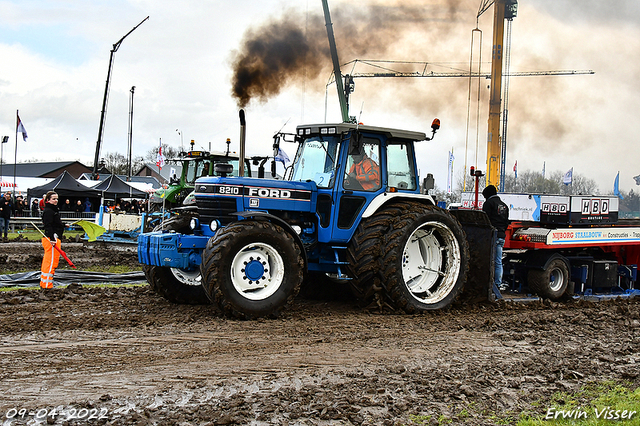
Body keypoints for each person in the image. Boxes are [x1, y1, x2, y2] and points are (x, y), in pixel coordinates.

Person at [482, 185, 510, 291]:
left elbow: (485, 220)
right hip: (501, 235)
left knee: (488, 260)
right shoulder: (504, 206)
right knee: (498, 261)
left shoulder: (488, 204)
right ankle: (497, 284)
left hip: (491, 236)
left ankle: (488, 282)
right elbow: (506, 222)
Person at [40, 191, 65, 289]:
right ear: (48, 200)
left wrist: (63, 225)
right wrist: (52, 238)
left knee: (51, 262)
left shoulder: (53, 210)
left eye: (57, 199)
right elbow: (48, 225)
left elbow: (55, 223)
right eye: (54, 199)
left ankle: (45, 284)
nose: (56, 201)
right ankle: (47, 285)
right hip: (51, 239)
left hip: (54, 238)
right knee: (50, 263)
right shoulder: (49, 211)